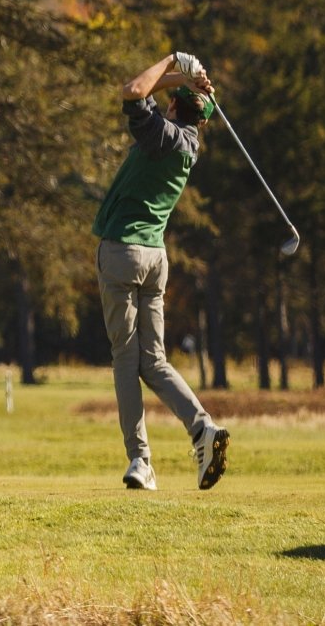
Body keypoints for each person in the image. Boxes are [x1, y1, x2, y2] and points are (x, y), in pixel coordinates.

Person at [92, 50, 229, 491]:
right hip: (155, 259)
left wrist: (173, 65)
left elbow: (133, 91)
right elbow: (185, 103)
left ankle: (141, 461)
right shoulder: (189, 144)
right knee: (154, 361)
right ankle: (202, 427)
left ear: (174, 107)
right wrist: (193, 82)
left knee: (125, 361)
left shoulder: (161, 135)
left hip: (122, 254)